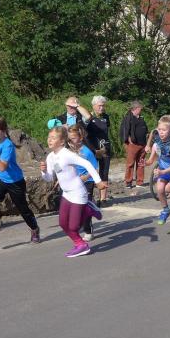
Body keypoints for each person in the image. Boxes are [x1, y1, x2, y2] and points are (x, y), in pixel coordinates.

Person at [40, 126, 107, 258]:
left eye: (53, 138)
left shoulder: (67, 154)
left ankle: (89, 209)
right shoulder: (50, 157)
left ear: (62, 141)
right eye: (49, 137)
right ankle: (80, 244)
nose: (49, 140)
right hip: (66, 193)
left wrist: (98, 181)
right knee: (63, 224)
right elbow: (49, 178)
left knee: (74, 226)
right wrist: (43, 171)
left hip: (77, 192)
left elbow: (88, 164)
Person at [0, 117, 40, 242]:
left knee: (23, 209)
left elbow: (2, 167)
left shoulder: (7, 145)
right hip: (0, 179)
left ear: (3, 131)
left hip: (15, 181)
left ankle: (34, 229)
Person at [67, 124, 99, 242]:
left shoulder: (87, 152)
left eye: (73, 138)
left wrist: (86, 177)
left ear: (80, 138)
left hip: (87, 182)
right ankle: (90, 209)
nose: (71, 141)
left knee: (84, 207)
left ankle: (88, 231)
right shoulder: (69, 151)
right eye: (69, 138)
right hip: (74, 182)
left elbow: (95, 168)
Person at [86, 95, 111, 206]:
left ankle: (103, 199)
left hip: (105, 147)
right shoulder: (89, 117)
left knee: (104, 172)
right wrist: (93, 149)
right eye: (99, 106)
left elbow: (106, 131)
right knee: (92, 171)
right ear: (94, 105)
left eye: (103, 105)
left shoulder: (106, 117)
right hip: (93, 148)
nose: (102, 108)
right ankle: (90, 197)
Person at [119, 100, 149, 189]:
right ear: (136, 108)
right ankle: (128, 182)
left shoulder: (141, 118)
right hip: (133, 144)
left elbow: (145, 129)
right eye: (140, 108)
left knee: (140, 163)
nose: (141, 110)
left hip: (142, 144)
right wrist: (129, 141)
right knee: (130, 163)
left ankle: (139, 182)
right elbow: (124, 130)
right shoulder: (128, 118)